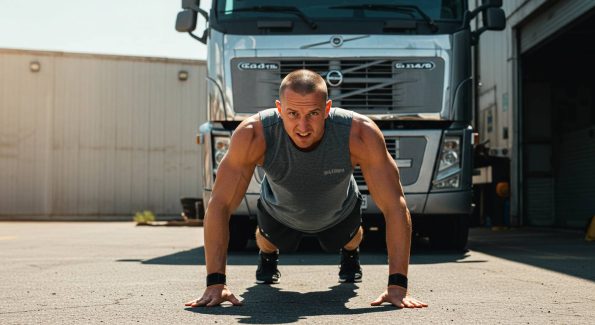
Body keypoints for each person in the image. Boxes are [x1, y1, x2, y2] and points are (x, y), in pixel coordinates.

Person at [185, 69, 428, 309]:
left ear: (328, 108)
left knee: (353, 238)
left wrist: (398, 286)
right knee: (266, 240)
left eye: (313, 113)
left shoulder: (360, 133)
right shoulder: (253, 134)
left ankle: (350, 255)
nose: (303, 126)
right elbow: (220, 204)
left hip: (340, 211)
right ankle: (268, 256)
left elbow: (395, 206)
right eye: (292, 113)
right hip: (278, 210)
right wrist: (215, 283)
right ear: (279, 109)